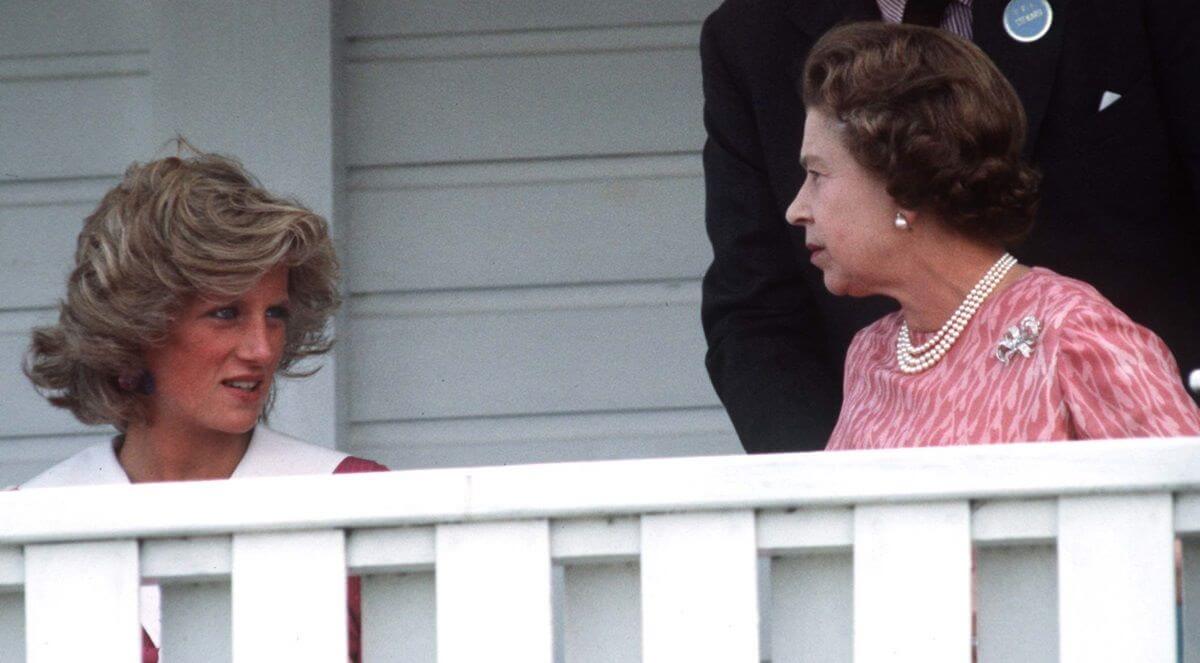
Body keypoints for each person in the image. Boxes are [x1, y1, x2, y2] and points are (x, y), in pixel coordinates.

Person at [700, 0, 1200, 453]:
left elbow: (1182, 508)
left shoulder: (1079, 337)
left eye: (816, 175)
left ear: (906, 183)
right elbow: (754, 313)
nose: (796, 210)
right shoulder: (871, 356)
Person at [21, 146, 386, 662]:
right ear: (138, 327)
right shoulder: (28, 517)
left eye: (275, 314)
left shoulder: (355, 498)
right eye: (225, 313)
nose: (261, 349)